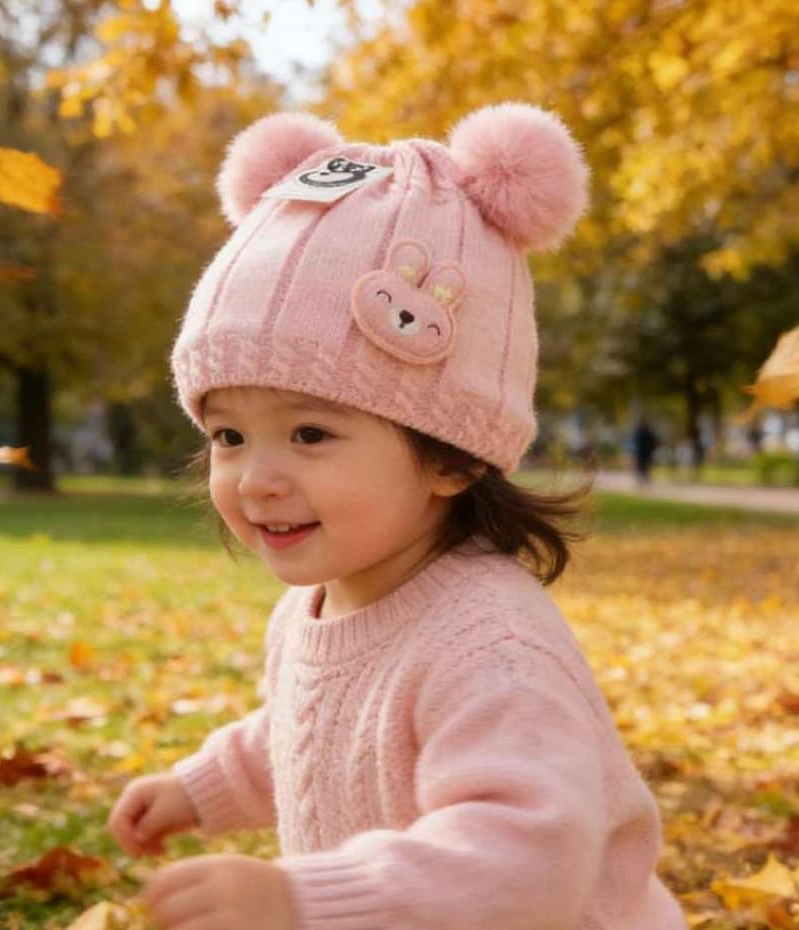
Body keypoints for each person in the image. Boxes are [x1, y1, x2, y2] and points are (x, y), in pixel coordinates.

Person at [107, 103, 686, 930]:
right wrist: (195, 789)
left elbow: (529, 853)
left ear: (450, 456)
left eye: (310, 433)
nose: (256, 478)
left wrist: (305, 899)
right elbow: (302, 737)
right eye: (229, 435)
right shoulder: (313, 607)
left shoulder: (491, 646)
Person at [631, 416, 659, 486]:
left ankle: (641, 481)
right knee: (645, 467)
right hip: (646, 453)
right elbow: (654, 442)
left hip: (641, 453)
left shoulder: (639, 433)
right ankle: (644, 481)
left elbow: (635, 443)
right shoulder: (648, 433)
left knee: (641, 467)